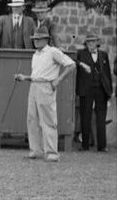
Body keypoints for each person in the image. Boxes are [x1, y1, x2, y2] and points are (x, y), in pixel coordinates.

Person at [14, 26, 76, 162]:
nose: (36, 41)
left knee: (48, 120)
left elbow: (71, 65)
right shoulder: (35, 55)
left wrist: (58, 80)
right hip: (34, 86)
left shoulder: (53, 52)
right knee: (32, 119)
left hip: (46, 87)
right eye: (34, 39)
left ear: (45, 39)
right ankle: (36, 150)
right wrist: (24, 77)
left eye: (38, 39)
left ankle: (52, 153)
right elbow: (37, 75)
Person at [75, 34, 113, 152]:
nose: (91, 44)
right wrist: (82, 64)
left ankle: (102, 146)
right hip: (86, 89)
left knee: (101, 118)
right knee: (85, 116)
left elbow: (107, 75)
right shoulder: (81, 54)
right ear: (86, 44)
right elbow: (72, 60)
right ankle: (85, 145)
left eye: (93, 42)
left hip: (101, 89)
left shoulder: (103, 55)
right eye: (89, 42)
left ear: (97, 42)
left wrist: (109, 92)